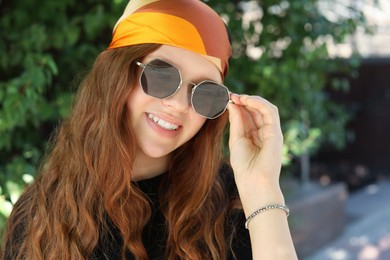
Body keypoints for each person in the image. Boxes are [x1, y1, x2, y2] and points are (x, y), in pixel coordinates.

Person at [1, 0, 297, 259]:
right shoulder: (42, 211)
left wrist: (262, 188)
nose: (180, 105)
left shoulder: (230, 205)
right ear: (117, 75)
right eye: (161, 76)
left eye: (205, 92)